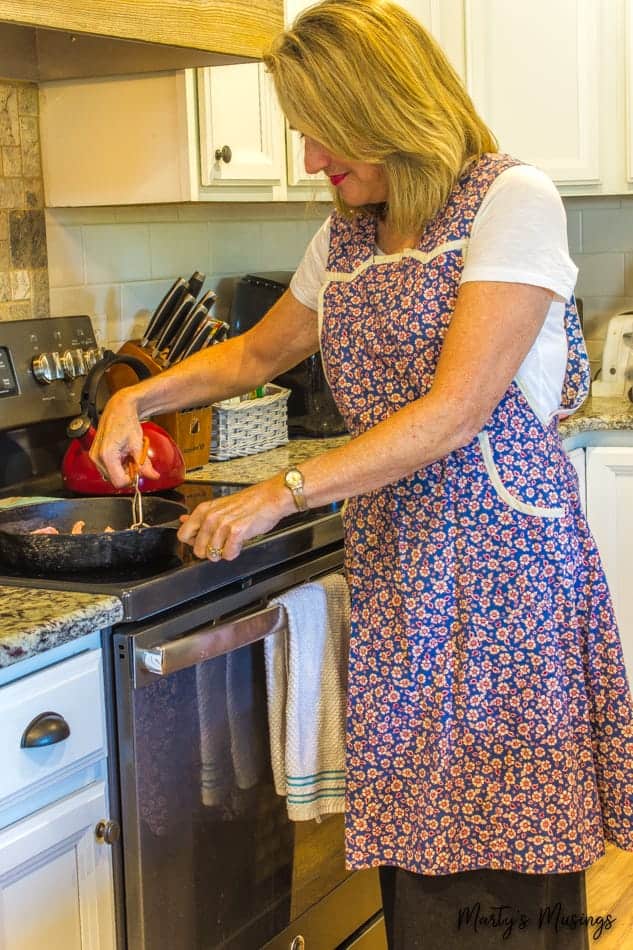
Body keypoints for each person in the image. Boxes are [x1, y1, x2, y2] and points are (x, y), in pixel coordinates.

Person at [91, 1, 633, 946]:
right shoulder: (345, 233)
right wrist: (137, 399)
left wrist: (281, 492)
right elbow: (256, 354)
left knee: (505, 861)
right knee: (422, 848)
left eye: (321, 132)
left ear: (386, 108)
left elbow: (456, 410)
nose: (310, 160)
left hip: (506, 577)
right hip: (400, 565)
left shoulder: (511, 199)